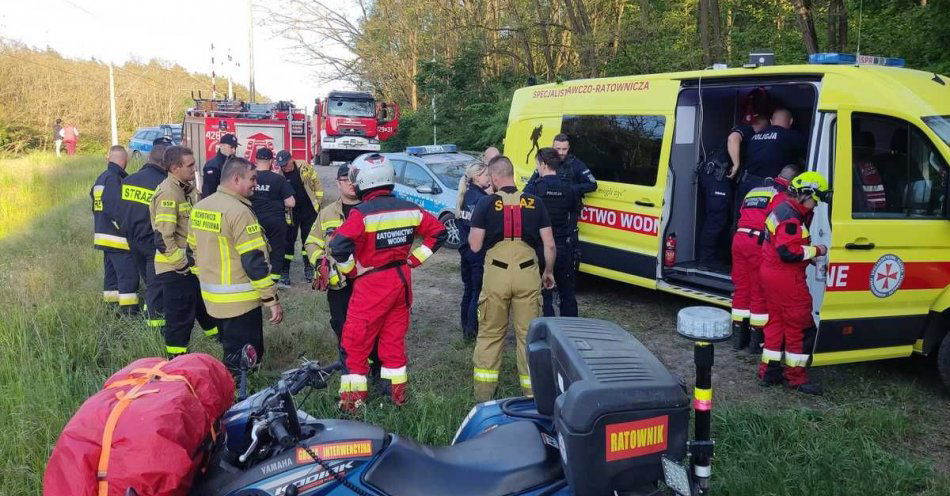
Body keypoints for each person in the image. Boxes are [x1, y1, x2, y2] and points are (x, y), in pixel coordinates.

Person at [328, 153, 447, 412]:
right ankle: (397, 399)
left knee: (355, 344)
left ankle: (352, 404)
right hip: (401, 282)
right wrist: (413, 261)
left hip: (371, 285)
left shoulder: (361, 213)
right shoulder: (410, 208)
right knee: (393, 344)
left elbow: (338, 246)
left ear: (363, 181)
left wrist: (350, 271)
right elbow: (439, 232)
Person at [468, 156, 556, 402]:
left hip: (496, 274)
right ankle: (531, 396)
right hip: (528, 273)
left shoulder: (485, 203)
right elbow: (549, 244)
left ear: (495, 178)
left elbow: (475, 246)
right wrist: (548, 272)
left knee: (490, 334)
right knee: (528, 336)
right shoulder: (535, 203)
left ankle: (483, 398)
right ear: (512, 174)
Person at [191, 157, 283, 373]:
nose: (255, 184)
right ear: (235, 178)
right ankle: (241, 399)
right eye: (252, 178)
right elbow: (254, 262)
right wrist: (271, 299)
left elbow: (192, 250)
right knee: (245, 361)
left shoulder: (200, 206)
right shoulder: (239, 212)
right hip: (240, 303)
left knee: (230, 351)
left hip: (213, 300)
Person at [304, 164, 379, 377]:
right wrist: (320, 262)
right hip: (339, 284)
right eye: (346, 180)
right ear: (338, 183)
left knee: (371, 325)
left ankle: (373, 367)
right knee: (341, 324)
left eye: (355, 179)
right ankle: (348, 365)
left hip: (368, 281)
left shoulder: (372, 210)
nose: (351, 184)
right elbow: (311, 242)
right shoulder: (327, 213)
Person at [759, 171, 830, 395]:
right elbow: (788, 252)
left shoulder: (783, 210)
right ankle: (796, 378)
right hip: (786, 278)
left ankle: (768, 372)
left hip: (771, 274)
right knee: (798, 326)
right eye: (815, 200)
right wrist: (818, 250)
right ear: (805, 194)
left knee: (776, 324)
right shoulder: (791, 217)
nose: (815, 206)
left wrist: (808, 257)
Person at [150, 145, 219, 357]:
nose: (194, 168)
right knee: (179, 319)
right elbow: (162, 237)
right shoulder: (169, 193)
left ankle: (220, 344)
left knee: (203, 308)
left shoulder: (184, 189)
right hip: (175, 269)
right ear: (175, 168)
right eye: (189, 165)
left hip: (189, 267)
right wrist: (181, 264)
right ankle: (176, 360)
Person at [730, 164, 799, 354]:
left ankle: (738, 339)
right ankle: (755, 342)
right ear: (793, 182)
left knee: (742, 287)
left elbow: (742, 213)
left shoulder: (755, 190)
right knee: (759, 290)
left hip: (739, 239)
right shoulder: (782, 198)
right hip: (757, 242)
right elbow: (776, 225)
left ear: (778, 175)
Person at [696, 115, 769, 266]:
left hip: (718, 178)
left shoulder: (751, 136)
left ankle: (718, 257)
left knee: (724, 218)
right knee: (717, 218)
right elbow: (733, 139)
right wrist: (736, 165)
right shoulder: (747, 130)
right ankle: (706, 260)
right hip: (717, 177)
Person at [119, 137, 171, 330]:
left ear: (149, 157)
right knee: (156, 286)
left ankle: (151, 315)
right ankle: (156, 328)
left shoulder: (128, 180)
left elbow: (121, 210)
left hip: (132, 240)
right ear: (165, 163)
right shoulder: (163, 185)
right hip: (153, 243)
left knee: (149, 282)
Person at [524, 147, 577, 317]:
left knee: (544, 294)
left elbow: (525, 213)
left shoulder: (534, 188)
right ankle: (570, 334)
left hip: (541, 247)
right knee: (567, 293)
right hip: (564, 245)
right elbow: (574, 213)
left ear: (544, 164)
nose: (537, 169)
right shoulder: (570, 188)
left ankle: (548, 333)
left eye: (537, 165)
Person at [91, 146, 138, 314]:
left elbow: (96, 204)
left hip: (103, 236)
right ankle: (129, 313)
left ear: (108, 159)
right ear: (125, 161)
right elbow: (114, 208)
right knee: (128, 276)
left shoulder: (101, 178)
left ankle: (111, 310)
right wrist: (125, 228)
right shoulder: (114, 179)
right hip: (116, 238)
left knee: (111, 278)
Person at [735, 108, 806, 206]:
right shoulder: (792, 136)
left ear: (771, 121)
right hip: (771, 189)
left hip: (747, 185)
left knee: (746, 218)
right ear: (791, 121)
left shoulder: (755, 136)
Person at [456, 159, 492, 339]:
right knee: (476, 293)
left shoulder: (465, 196)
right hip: (478, 254)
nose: (490, 178)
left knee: (468, 290)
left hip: (465, 252)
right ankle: (472, 331)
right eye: (486, 175)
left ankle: (465, 328)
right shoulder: (482, 200)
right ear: (477, 177)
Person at [250, 148, 295, 286]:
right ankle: (273, 281)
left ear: (256, 160)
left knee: (254, 250)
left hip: (254, 220)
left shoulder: (250, 178)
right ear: (271, 161)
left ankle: (255, 279)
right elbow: (291, 202)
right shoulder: (279, 179)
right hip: (275, 221)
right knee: (276, 251)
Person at [279, 149, 324, 285]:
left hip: (309, 211)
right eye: (281, 165)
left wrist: (319, 200)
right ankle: (285, 271)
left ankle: (309, 268)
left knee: (308, 241)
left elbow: (316, 181)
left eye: (285, 164)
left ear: (291, 159)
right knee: (288, 241)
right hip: (291, 213)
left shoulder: (304, 167)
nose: (284, 167)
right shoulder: (279, 174)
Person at [201, 133, 239, 198]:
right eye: (231, 147)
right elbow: (209, 191)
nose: (234, 150)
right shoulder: (212, 165)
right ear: (221, 145)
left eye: (235, 147)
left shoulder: (236, 162)